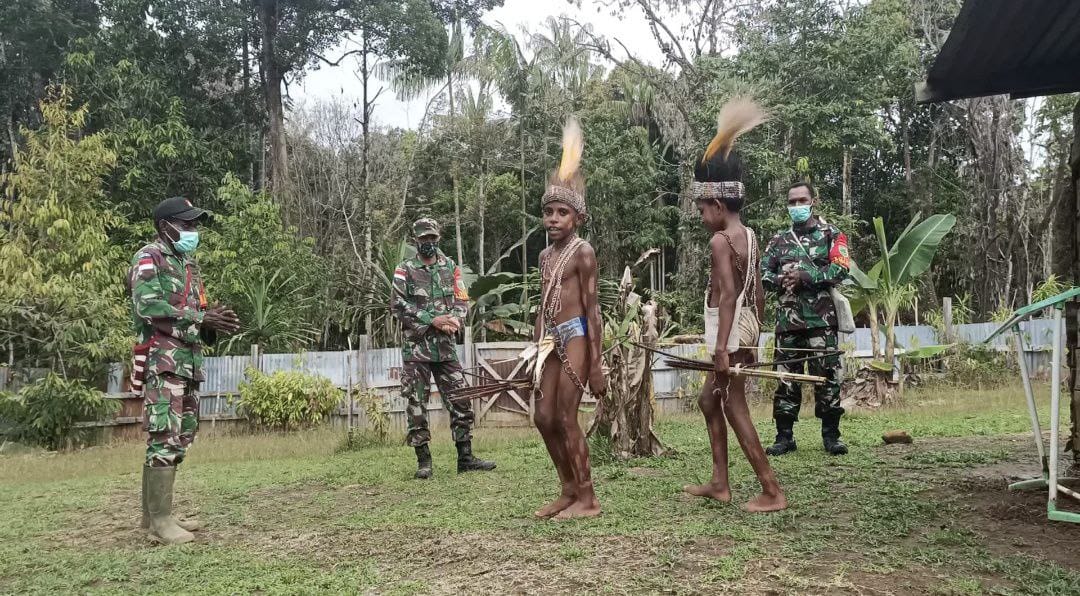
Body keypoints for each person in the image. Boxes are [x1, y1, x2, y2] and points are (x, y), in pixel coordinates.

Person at [682, 98, 787, 513]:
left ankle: (772, 489)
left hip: (728, 332)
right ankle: (720, 482)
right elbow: (756, 294)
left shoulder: (720, 241)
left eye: (702, 207)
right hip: (744, 328)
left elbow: (728, 296)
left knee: (733, 404)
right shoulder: (752, 236)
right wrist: (754, 336)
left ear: (718, 206)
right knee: (710, 400)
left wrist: (723, 348)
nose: (700, 215)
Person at [128, 196, 240, 544]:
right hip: (163, 364)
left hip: (188, 365)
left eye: (195, 225)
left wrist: (213, 321)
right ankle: (159, 523)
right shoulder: (149, 257)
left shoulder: (187, 264)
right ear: (166, 226)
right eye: (187, 224)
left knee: (180, 437)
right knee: (163, 436)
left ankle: (156, 518)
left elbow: (195, 315)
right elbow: (148, 306)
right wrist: (199, 318)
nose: (193, 230)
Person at [525, 117, 606, 520]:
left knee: (564, 415)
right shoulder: (544, 257)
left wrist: (598, 363)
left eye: (562, 213)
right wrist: (535, 351)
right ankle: (567, 488)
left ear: (576, 218)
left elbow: (593, 309)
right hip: (550, 342)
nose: (553, 219)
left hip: (576, 337)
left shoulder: (582, 252)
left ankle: (588, 497)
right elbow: (543, 305)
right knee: (542, 416)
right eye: (549, 213)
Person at [391, 218, 496, 479]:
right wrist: (432, 319)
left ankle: (466, 457)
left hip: (446, 348)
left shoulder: (450, 267)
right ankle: (423, 462)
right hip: (417, 349)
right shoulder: (404, 270)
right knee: (417, 403)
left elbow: (462, 300)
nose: (429, 242)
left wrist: (456, 320)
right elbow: (397, 305)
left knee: (460, 398)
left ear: (439, 238)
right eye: (424, 238)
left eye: (432, 238)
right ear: (415, 240)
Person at [761, 182, 851, 456]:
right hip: (788, 323)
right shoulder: (778, 240)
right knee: (786, 378)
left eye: (802, 200)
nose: (797, 206)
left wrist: (807, 276)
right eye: (792, 202)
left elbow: (841, 269)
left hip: (821, 322)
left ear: (813, 201)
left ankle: (831, 436)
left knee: (827, 378)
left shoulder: (832, 235)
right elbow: (764, 275)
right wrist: (782, 279)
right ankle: (784, 436)